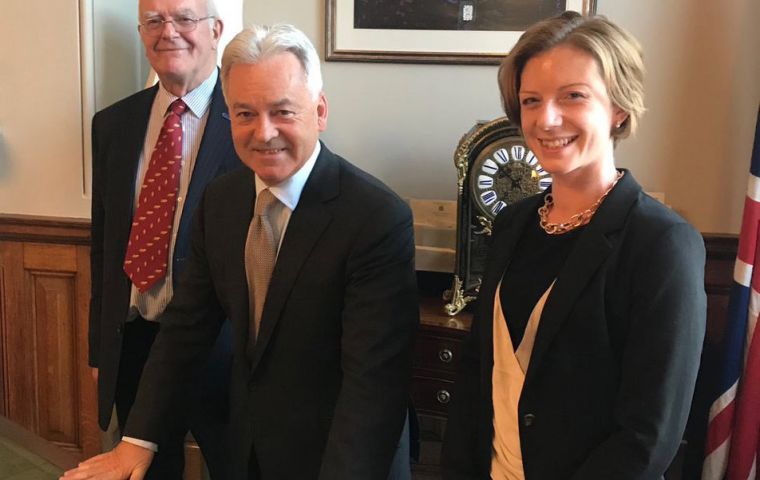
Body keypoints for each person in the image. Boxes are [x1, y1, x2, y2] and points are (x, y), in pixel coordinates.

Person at [63, 23, 418, 480]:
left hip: (341, 455)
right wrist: (137, 440)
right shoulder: (222, 201)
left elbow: (372, 387)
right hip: (248, 450)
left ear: (320, 109)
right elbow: (185, 330)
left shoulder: (376, 217)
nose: (263, 132)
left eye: (282, 111)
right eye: (245, 113)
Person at [442, 11, 707, 480]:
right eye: (531, 100)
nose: (546, 119)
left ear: (619, 108)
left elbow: (648, 437)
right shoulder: (512, 224)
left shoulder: (661, 244)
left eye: (574, 96)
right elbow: (477, 376)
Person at [86, 0, 239, 477]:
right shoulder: (112, 124)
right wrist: (99, 347)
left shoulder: (250, 123)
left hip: (222, 347)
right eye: (154, 21)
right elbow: (103, 245)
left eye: (184, 18)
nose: (168, 32)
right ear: (141, 32)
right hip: (135, 338)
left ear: (215, 31)